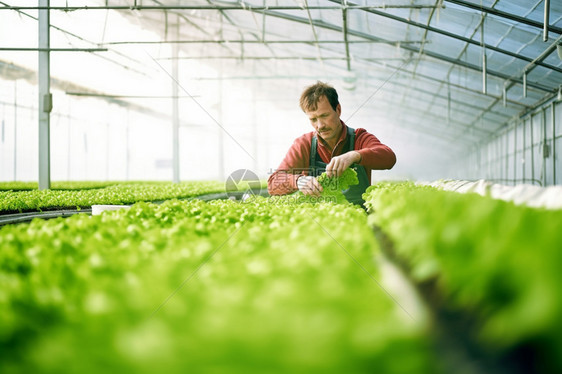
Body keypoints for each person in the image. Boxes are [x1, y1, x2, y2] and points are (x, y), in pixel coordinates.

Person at [267, 81, 396, 205]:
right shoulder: (304, 144)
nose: (320, 125)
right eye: (313, 119)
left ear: (338, 110)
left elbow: (389, 158)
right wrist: (298, 181)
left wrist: (355, 155)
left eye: (324, 116)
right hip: (319, 220)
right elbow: (273, 183)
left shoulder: (359, 138)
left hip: (359, 220)